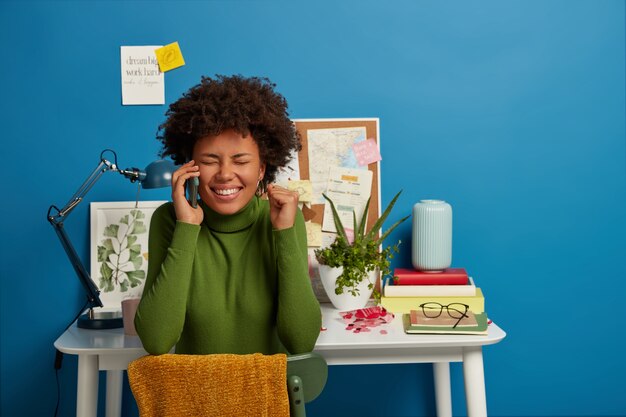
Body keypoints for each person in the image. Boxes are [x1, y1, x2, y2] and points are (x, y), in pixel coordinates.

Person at [134, 75, 321, 356]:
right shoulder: (169, 220)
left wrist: (283, 234)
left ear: (261, 169)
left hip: (267, 395)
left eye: (241, 161)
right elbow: (156, 340)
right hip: (194, 396)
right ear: (191, 166)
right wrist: (187, 227)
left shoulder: (283, 217)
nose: (224, 174)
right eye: (210, 161)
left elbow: (302, 341)